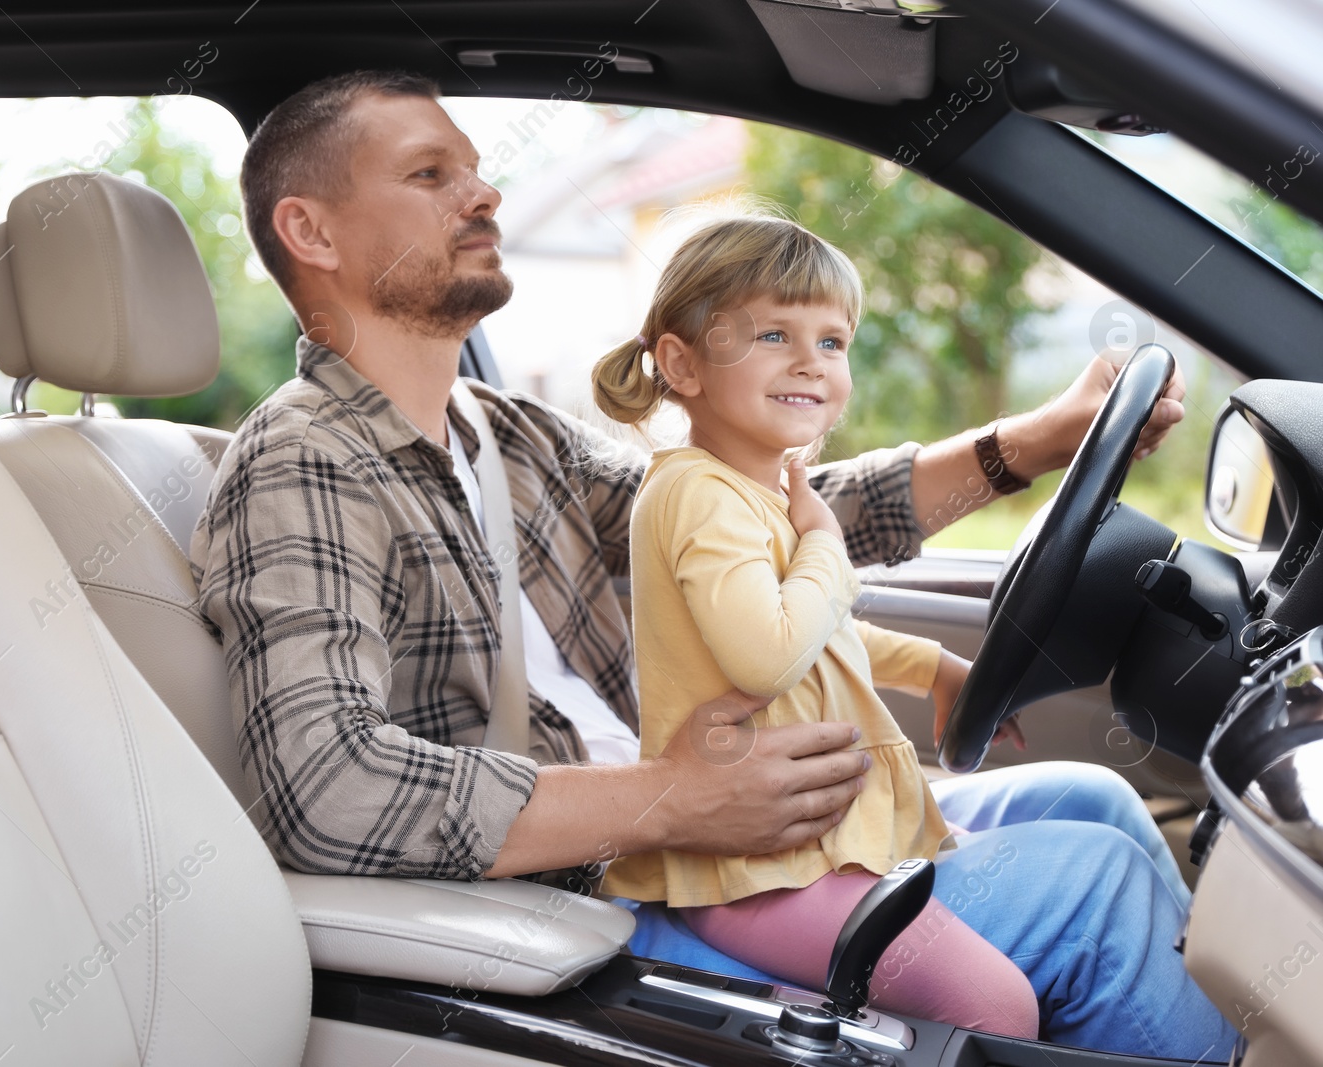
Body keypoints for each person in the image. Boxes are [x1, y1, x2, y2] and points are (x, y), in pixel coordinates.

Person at [191, 70, 1231, 1058]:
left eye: (473, 167)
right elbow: (324, 788)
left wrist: (1029, 444)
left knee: (1094, 801)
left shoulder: (507, 436)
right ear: (309, 230)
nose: (484, 190)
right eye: (430, 174)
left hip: (705, 829)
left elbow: (773, 518)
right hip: (594, 891)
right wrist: (671, 799)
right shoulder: (301, 462)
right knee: (1097, 885)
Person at [590, 213, 1039, 1038]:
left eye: (833, 342)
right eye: (773, 333)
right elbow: (767, 657)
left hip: (811, 847)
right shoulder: (700, 493)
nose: (810, 361)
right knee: (998, 1007)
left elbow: (820, 637)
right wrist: (828, 544)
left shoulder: (754, 491)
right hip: (758, 870)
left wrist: (933, 665)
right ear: (681, 363)